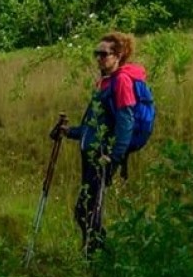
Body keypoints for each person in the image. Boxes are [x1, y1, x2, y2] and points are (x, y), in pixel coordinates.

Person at [52, 31, 148, 255]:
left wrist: (113, 157)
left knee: (87, 210)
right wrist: (70, 132)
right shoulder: (104, 83)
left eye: (103, 54)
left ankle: (96, 256)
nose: (98, 58)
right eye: (96, 54)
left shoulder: (122, 82)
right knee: (86, 210)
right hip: (91, 154)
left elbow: (125, 121)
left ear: (119, 55)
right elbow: (93, 125)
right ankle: (93, 253)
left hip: (102, 157)